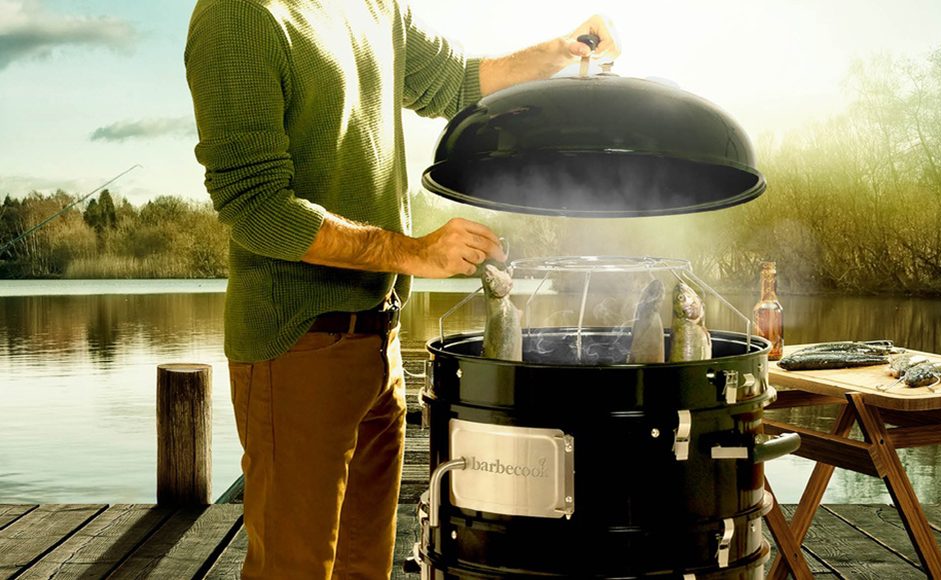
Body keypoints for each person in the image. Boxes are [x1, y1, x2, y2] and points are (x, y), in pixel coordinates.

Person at [184, 1, 617, 578]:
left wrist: (559, 51)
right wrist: (414, 252)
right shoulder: (238, 16)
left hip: (377, 339)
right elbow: (257, 208)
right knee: (295, 568)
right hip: (298, 345)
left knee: (367, 567)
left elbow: (457, 81)